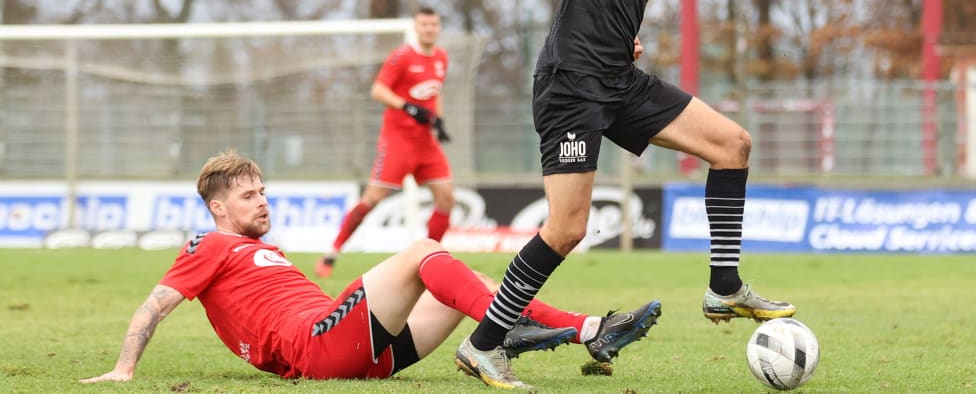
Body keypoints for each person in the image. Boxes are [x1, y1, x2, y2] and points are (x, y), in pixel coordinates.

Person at [409, 0, 795, 388]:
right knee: (567, 229)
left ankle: (724, 287)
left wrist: (625, 38)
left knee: (734, 144)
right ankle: (483, 345)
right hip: (571, 84)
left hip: (618, 81)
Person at [80, 151, 661, 387]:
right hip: (319, 347)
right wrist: (124, 369)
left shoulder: (262, 251)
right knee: (420, 251)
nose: (262, 201)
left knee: (478, 284)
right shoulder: (208, 245)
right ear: (217, 209)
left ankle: (590, 330)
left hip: (360, 350)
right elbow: (155, 304)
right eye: (248, 195)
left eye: (263, 191)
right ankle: (501, 335)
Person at [315, 7, 455, 278]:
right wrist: (407, 107)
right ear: (416, 28)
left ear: (439, 28)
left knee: (447, 198)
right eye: (424, 25)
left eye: (434, 25)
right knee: (373, 198)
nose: (429, 30)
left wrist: (439, 120)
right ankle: (333, 251)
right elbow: (378, 90)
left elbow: (436, 92)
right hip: (398, 141)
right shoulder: (401, 56)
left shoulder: (441, 57)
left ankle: (429, 258)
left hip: (426, 143)